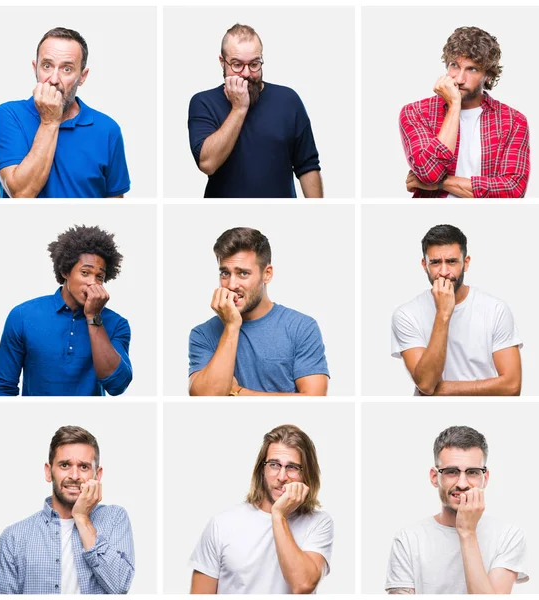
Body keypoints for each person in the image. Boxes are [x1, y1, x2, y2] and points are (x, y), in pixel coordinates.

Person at [190, 424, 333, 593]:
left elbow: (302, 585)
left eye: (292, 467)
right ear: (262, 469)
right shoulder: (222, 524)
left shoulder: (318, 523)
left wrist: (278, 515)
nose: (282, 477)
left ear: (306, 474)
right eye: (274, 464)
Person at [0, 425, 135, 594]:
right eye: (65, 465)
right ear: (48, 471)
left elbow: (120, 587)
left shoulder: (115, 519)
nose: (74, 476)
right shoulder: (14, 537)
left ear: (98, 474)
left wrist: (82, 518)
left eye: (84, 467)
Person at [0, 225, 132, 396]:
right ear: (65, 271)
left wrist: (93, 316)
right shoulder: (22, 316)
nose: (92, 282)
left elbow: (116, 385)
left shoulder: (117, 324)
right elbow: (2, 388)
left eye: (99, 276)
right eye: (85, 272)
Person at [385, 425, 528, 594]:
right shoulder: (408, 539)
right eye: (451, 472)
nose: (462, 483)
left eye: (472, 472)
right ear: (434, 477)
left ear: (485, 478)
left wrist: (467, 532)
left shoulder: (508, 536)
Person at [188, 227, 329, 395]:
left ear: (267, 274)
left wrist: (239, 392)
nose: (231, 285)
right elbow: (205, 400)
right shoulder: (202, 334)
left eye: (243, 273)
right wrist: (231, 327)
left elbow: (314, 401)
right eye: (225, 273)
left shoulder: (301, 327)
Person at [0, 27, 130, 198]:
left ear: (82, 76)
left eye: (67, 69)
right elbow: (21, 194)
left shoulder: (108, 129)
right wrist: (50, 121)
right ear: (35, 68)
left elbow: (115, 209)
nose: (54, 80)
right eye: (47, 66)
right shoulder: (8, 115)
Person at [188, 23, 323, 198]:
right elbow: (208, 163)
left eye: (254, 64)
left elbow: (308, 166)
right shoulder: (203, 102)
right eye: (237, 65)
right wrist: (239, 108)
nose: (246, 73)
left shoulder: (289, 100)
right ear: (222, 62)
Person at [391, 224, 521, 396]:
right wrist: (443, 313)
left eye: (452, 261)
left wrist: (444, 390)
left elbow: (512, 386)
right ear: (425, 265)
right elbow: (426, 383)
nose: (444, 272)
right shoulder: (406, 314)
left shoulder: (496, 309)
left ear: (465, 263)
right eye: (436, 262)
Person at [400, 26, 530, 198]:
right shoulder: (416, 112)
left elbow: (513, 190)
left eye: (472, 69)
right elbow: (430, 173)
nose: (459, 79)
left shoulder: (513, 121)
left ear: (488, 76)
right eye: (454, 66)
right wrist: (454, 105)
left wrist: (441, 183)